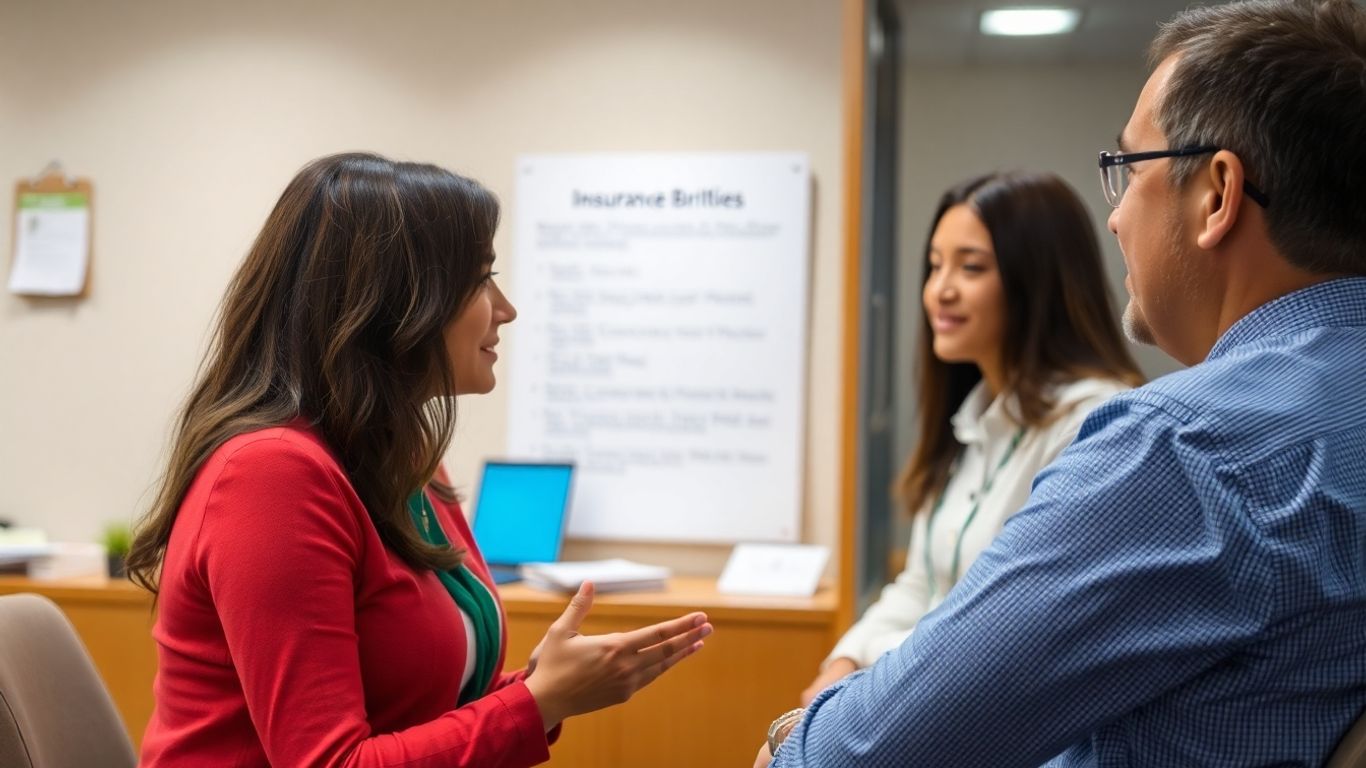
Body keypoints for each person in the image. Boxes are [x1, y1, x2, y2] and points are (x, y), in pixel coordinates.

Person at [758, 0, 1366, 764]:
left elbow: (866, 752)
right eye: (935, 266)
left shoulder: (1180, 451)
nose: (1116, 219)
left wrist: (792, 736)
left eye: (1128, 170)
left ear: (1216, 195)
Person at [126, 152, 712, 767]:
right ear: (395, 302)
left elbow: (419, 705)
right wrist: (538, 702)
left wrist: (548, 688)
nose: (505, 309)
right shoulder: (270, 475)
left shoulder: (402, 456)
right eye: (481, 280)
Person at [800, 171, 1142, 705]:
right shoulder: (971, 420)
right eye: (935, 265)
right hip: (922, 696)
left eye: (971, 267)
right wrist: (845, 659)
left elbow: (1008, 628)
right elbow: (922, 584)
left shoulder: (1095, 422)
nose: (941, 290)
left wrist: (864, 667)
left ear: (1037, 281)